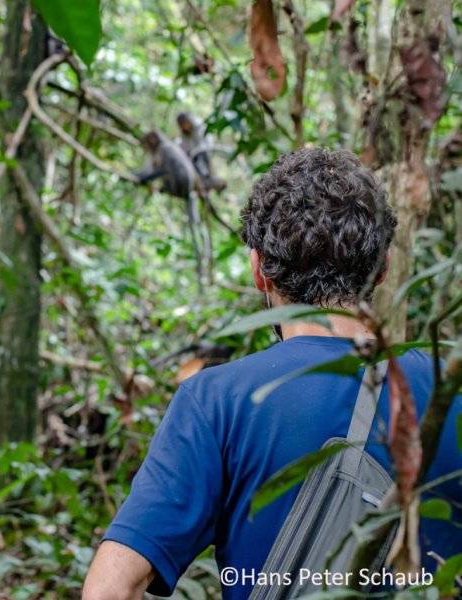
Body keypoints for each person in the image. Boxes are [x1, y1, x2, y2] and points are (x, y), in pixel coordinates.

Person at [82, 148, 461, 600]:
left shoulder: (215, 400)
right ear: (381, 270)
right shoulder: (449, 388)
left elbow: (110, 588)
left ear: (258, 269)